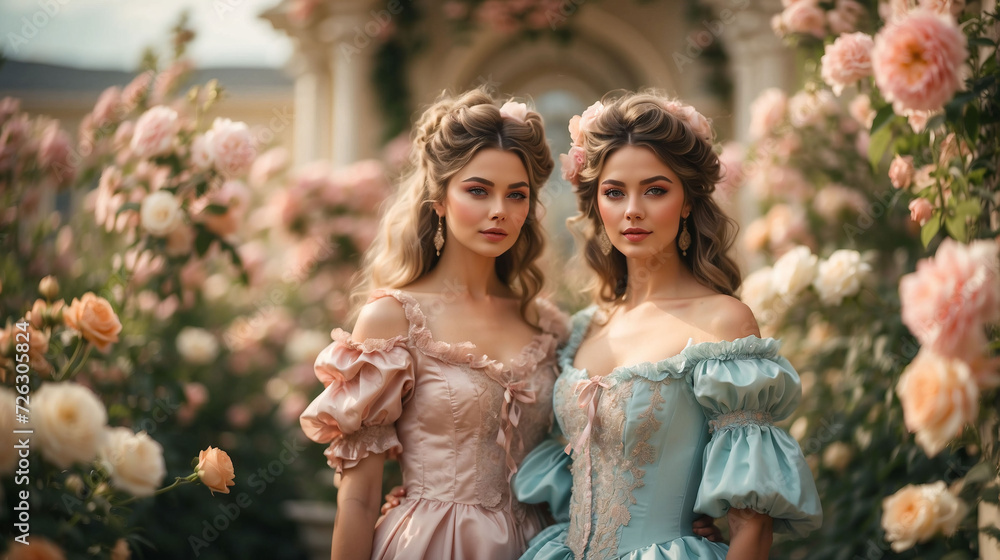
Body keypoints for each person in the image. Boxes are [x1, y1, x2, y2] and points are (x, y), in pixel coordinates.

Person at [512, 92, 823, 560]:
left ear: (686, 202)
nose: (632, 210)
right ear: (597, 204)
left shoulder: (723, 322)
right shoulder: (583, 328)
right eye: (615, 192)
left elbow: (752, 525)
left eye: (655, 190)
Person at [298, 88, 566, 560]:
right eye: (478, 190)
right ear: (439, 198)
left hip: (537, 547)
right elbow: (358, 500)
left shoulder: (546, 323)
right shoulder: (391, 318)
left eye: (516, 194)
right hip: (432, 544)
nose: (499, 210)